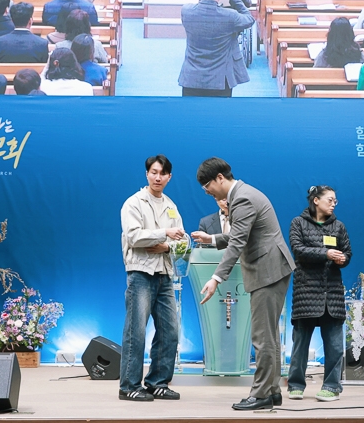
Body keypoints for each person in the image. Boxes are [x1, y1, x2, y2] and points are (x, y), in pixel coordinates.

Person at [191, 158, 295, 411]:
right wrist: (212, 239)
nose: (206, 191)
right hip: (271, 268)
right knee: (268, 335)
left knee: (262, 336)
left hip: (267, 270)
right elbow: (239, 234)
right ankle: (272, 391)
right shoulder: (243, 194)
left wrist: (216, 278)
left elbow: (238, 242)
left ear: (219, 178)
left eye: (206, 185)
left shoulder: (242, 198)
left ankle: (260, 395)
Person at [119, 155, 185, 402]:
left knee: (170, 331)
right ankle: (128, 386)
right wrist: (164, 233)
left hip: (165, 274)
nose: (158, 177)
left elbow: (182, 241)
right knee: (136, 331)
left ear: (169, 177)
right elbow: (134, 237)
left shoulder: (171, 205)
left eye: (163, 173)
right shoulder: (133, 203)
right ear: (147, 174)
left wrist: (165, 246)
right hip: (140, 273)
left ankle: (158, 382)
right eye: (154, 172)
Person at [286, 186, 351, 402]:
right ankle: (296, 384)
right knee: (300, 345)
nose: (333, 204)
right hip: (306, 292)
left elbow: (347, 252)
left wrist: (343, 259)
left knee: (334, 346)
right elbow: (298, 250)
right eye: (330, 200)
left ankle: (331, 386)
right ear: (316, 200)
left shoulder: (339, 226)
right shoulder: (298, 223)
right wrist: (327, 253)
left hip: (332, 294)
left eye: (335, 201)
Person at [178, 0, 254, 96]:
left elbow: (201, 6)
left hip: (191, 79)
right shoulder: (230, 16)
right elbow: (249, 19)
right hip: (221, 81)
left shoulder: (186, 11)